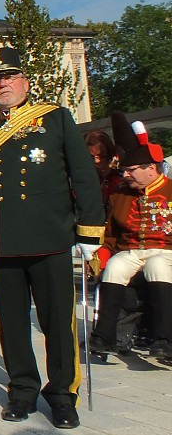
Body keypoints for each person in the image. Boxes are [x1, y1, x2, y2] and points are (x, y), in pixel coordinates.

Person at [0, 47, 103, 429]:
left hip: (51, 239)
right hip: (3, 243)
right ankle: (22, 390)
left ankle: (63, 394)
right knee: (10, 323)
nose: (3, 84)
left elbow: (83, 176)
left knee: (57, 322)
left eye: (9, 77)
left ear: (25, 82)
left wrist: (90, 232)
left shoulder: (56, 119)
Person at [89, 112, 172, 360]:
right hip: (131, 251)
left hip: (166, 252)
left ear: (151, 168)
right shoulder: (121, 194)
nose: (125, 175)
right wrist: (101, 254)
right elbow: (112, 232)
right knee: (114, 265)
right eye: (124, 170)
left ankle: (164, 339)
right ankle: (104, 337)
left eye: (131, 170)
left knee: (157, 265)